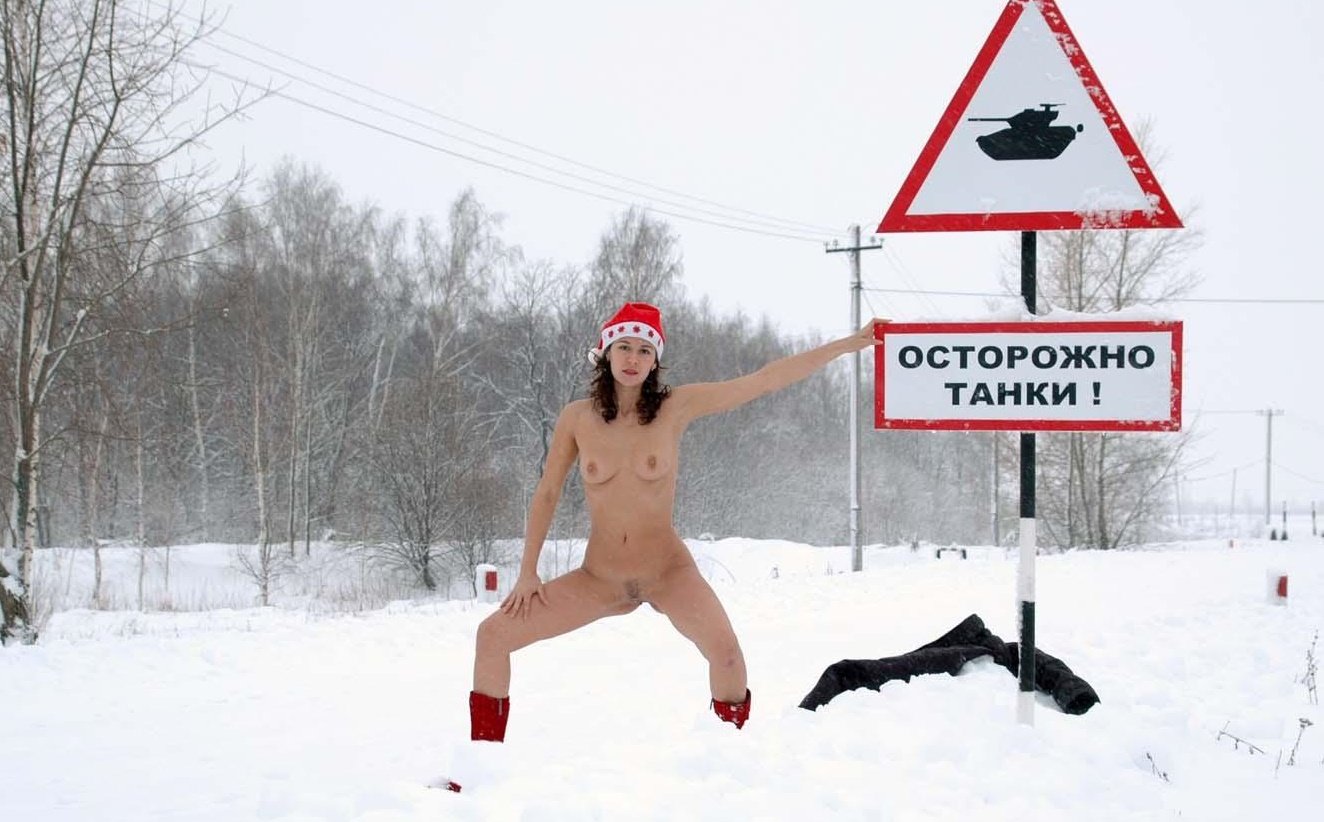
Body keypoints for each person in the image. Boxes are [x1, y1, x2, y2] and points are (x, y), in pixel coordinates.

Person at [467, 301, 885, 742]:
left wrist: (851, 343)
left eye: (644, 350)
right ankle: (482, 763)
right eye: (624, 347)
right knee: (492, 636)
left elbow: (762, 381)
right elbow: (548, 492)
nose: (633, 358)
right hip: (599, 578)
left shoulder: (675, 407)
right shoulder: (577, 418)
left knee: (727, 655)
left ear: (655, 361)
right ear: (605, 352)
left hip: (667, 572)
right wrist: (528, 571)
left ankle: (730, 754)